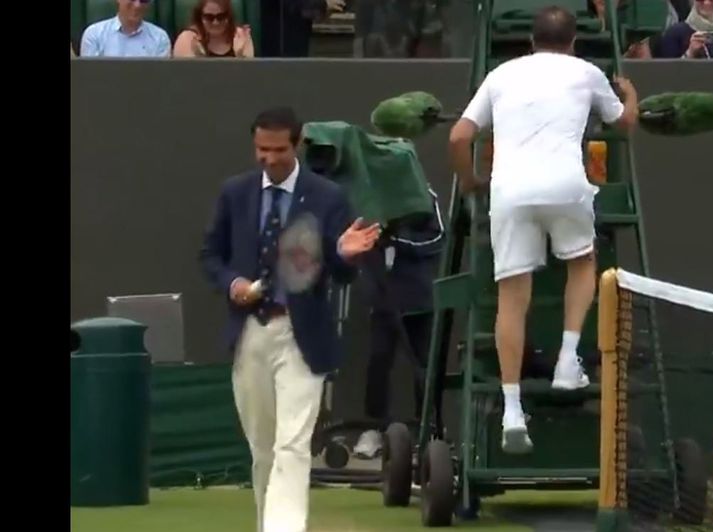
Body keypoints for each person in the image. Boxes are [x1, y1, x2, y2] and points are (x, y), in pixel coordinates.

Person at [448, 6, 639, 454]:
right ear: (572, 41)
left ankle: (513, 409)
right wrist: (630, 93)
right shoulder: (588, 71)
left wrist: (470, 181)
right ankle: (568, 359)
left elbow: (458, 137)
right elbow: (626, 125)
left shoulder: (501, 76)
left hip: (509, 193)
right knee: (582, 261)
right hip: (565, 186)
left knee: (512, 298)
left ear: (531, 41)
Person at [199, 107, 380, 532]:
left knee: (292, 444)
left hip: (301, 335)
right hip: (249, 331)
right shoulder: (235, 192)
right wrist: (233, 284)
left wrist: (344, 253)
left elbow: (341, 272)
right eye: (261, 149)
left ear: (296, 145)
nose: (268, 158)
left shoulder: (327, 196)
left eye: (277, 149)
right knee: (263, 448)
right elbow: (209, 256)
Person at [353, 187, 445, 459]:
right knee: (378, 361)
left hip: (418, 298)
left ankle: (430, 432)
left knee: (424, 364)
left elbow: (438, 238)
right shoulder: (366, 192)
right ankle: (375, 428)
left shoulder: (423, 194)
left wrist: (397, 239)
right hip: (382, 296)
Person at [80, 0, 171, 58]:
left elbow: (160, 81)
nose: (137, 5)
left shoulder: (160, 38)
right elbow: (90, 78)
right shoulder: (94, 34)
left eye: (143, 0)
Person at [173, 0, 254, 58]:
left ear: (228, 16)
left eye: (221, 17)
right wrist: (199, 58)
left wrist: (240, 57)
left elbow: (249, 76)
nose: (216, 23)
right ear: (200, 17)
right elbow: (185, 78)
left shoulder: (241, 36)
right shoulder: (187, 38)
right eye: (209, 17)